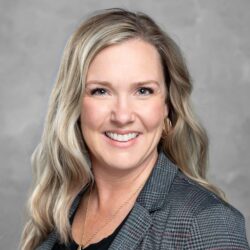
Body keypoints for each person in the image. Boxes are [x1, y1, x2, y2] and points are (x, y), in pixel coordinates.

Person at [20, 8, 249, 250]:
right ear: (74, 104)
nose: (122, 116)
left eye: (143, 91)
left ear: (167, 107)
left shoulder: (205, 222)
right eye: (101, 91)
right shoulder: (57, 211)